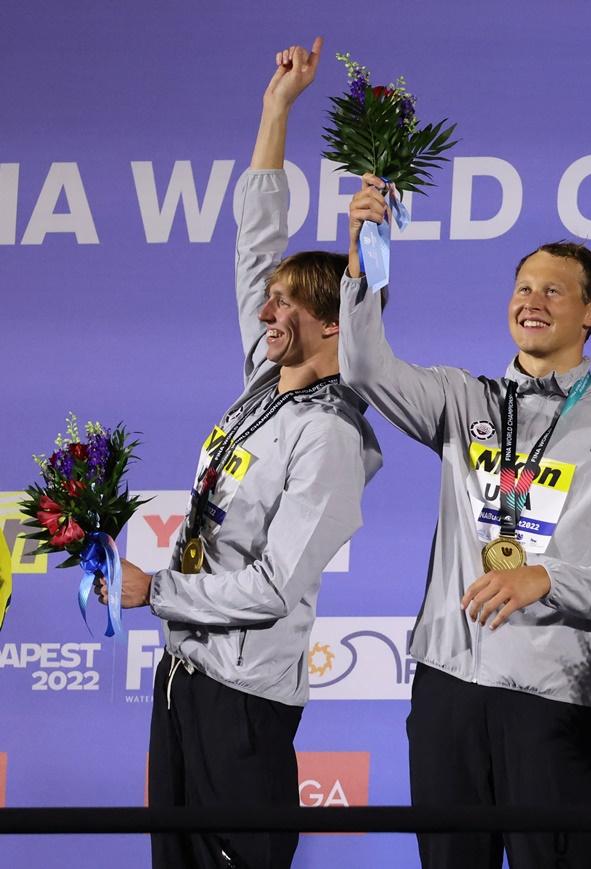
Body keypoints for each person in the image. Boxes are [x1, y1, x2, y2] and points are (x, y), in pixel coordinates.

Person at [338, 170, 591, 866]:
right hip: (448, 687)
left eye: (554, 290)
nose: (532, 300)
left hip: (550, 696)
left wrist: (545, 579)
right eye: (523, 287)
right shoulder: (464, 400)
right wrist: (366, 252)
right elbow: (365, 367)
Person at [100, 37, 381, 869]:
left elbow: (271, 587)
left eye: (287, 304)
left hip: (245, 696)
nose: (266, 311)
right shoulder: (267, 381)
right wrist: (275, 110)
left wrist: (161, 589)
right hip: (185, 675)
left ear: (333, 325)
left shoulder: (328, 434)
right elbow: (255, 243)